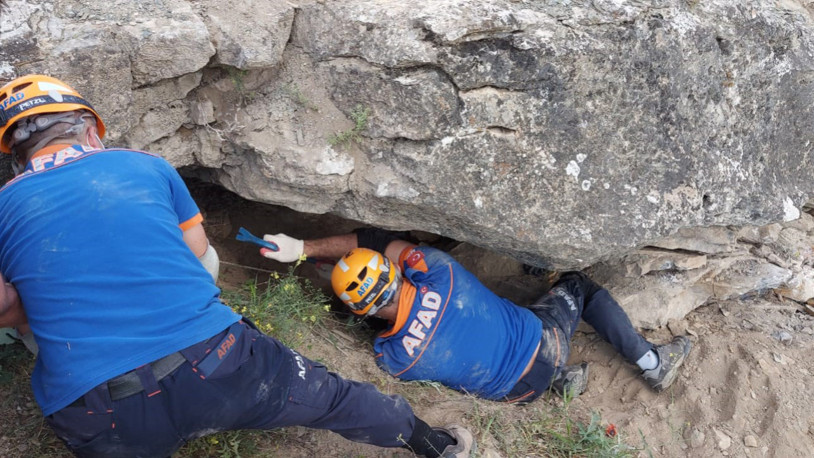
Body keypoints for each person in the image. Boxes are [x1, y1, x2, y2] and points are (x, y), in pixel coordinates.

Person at [0, 74, 474, 458]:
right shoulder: (143, 165)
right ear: (88, 129)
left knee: (26, 314)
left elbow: (5, 308)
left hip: (102, 416)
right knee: (330, 397)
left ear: (18, 159)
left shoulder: (5, 203)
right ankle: (431, 444)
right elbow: (196, 249)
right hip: (219, 366)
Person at [260, 228, 693, 404]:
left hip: (518, 395)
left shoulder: (393, 357)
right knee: (577, 284)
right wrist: (306, 246)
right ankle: (653, 363)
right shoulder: (436, 269)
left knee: (476, 351)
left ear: (359, 310)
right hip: (544, 344)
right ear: (394, 271)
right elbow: (378, 238)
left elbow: (381, 324)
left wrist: (320, 275)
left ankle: (562, 381)